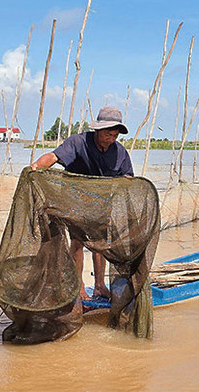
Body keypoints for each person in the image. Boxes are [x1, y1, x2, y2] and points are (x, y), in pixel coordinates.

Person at [30, 106, 133, 300]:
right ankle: (78, 286)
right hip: (74, 202)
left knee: (100, 245)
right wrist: (35, 167)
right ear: (97, 130)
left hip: (102, 205)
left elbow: (127, 178)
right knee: (77, 242)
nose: (111, 139)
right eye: (107, 134)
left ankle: (100, 286)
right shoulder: (78, 142)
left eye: (115, 135)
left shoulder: (119, 152)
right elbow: (53, 157)